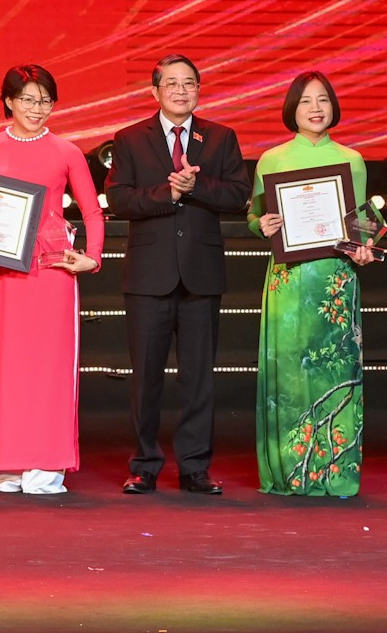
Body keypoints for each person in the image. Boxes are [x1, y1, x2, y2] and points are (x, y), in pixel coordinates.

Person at [105, 54, 247, 496]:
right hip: (149, 274)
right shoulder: (130, 139)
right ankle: (144, 465)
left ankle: (194, 467)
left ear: (199, 90)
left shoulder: (221, 137)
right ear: (155, 91)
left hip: (201, 274)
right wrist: (167, 192)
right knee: (145, 377)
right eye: (172, 83)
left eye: (189, 83)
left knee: (198, 377)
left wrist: (196, 186)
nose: (181, 90)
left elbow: (239, 194)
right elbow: (119, 199)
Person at [0, 64, 105, 495]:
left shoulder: (66, 151)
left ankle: (47, 465)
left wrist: (93, 257)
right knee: (9, 367)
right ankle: (10, 464)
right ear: (9, 101)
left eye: (45, 101)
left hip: (52, 269)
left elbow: (92, 210)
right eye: (28, 99)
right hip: (6, 272)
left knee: (49, 369)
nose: (37, 108)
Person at [247, 71, 376, 498]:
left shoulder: (352, 159)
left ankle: (334, 470)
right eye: (305, 101)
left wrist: (365, 245)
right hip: (287, 279)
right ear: (292, 109)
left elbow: (360, 221)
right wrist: (261, 225)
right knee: (289, 371)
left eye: (323, 100)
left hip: (334, 279)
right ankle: (289, 469)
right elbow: (254, 217)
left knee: (332, 368)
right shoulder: (272, 159)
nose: (315, 108)